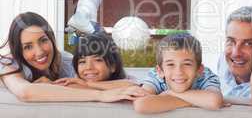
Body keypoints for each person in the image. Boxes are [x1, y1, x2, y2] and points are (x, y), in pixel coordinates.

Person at [0, 12, 148, 102]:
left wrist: (87, 85)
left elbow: (130, 84)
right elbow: (26, 92)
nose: (39, 52)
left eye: (43, 40)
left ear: (51, 38)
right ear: (18, 50)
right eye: (28, 47)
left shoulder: (66, 61)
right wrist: (101, 96)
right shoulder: (8, 63)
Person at [133, 33, 223, 114]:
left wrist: (170, 93)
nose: (179, 72)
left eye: (187, 64)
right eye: (171, 64)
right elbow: (140, 104)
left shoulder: (205, 75)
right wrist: (198, 101)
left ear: (199, 70)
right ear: (160, 71)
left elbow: (214, 101)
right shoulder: (155, 76)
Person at [53, 33, 138, 90]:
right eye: (82, 61)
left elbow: (131, 86)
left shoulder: (126, 81)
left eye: (98, 60)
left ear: (113, 66)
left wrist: (86, 84)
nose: (89, 67)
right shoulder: (76, 82)